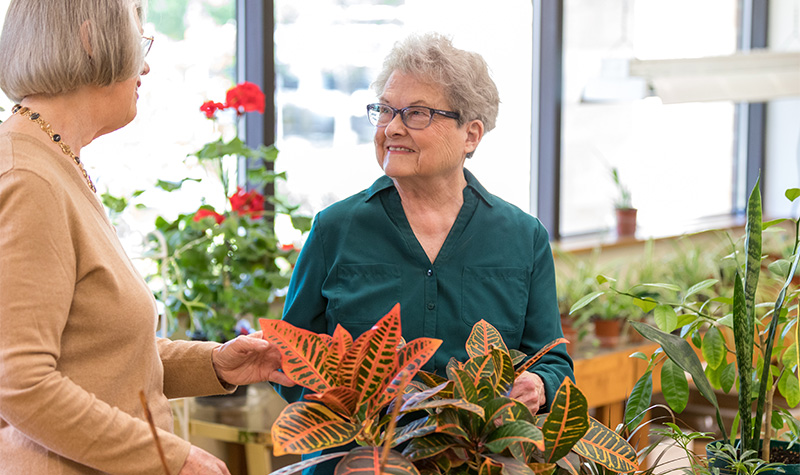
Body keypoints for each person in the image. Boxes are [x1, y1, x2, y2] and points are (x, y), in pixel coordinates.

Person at [0, 1, 292, 474]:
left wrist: (215, 363)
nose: (147, 65)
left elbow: (95, 352)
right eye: (140, 43)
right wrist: (171, 458)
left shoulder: (52, 163)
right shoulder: (29, 180)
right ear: (93, 42)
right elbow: (20, 383)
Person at [277, 32, 574, 474]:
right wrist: (341, 411)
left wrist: (538, 384)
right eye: (385, 110)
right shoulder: (334, 229)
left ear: (471, 134)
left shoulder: (523, 236)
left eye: (417, 114)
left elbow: (553, 359)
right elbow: (289, 356)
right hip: (358, 463)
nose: (391, 127)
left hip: (478, 461)